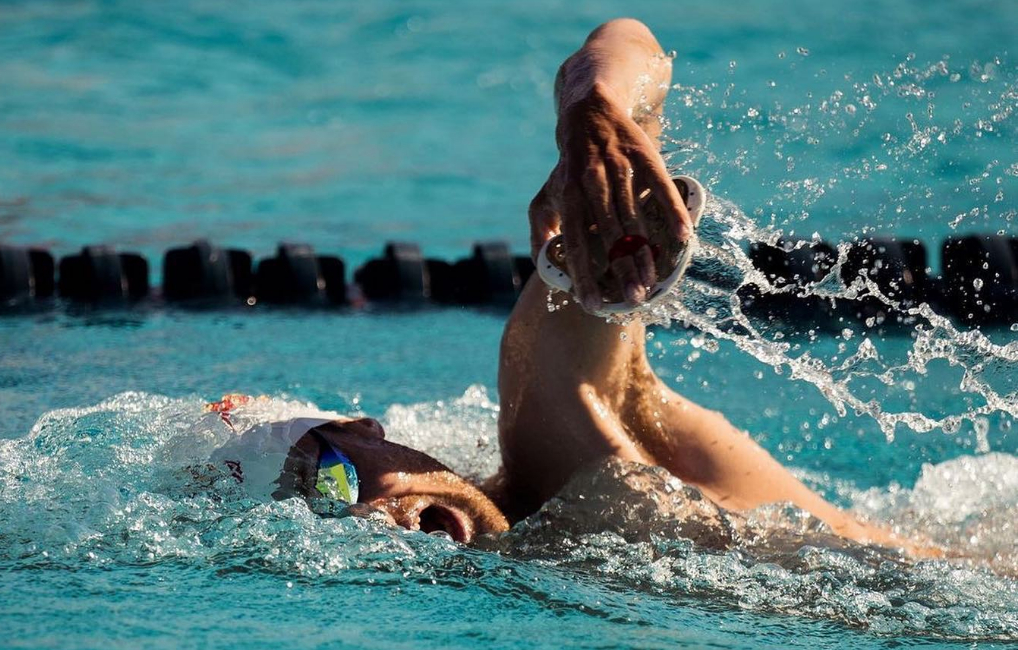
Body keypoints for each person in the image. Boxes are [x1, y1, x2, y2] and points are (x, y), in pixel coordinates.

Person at [203, 19, 924, 553]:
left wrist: (591, 109)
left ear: (365, 430)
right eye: (321, 526)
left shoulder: (554, 426)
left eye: (333, 478)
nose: (363, 519)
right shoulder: (529, 547)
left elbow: (632, 43)